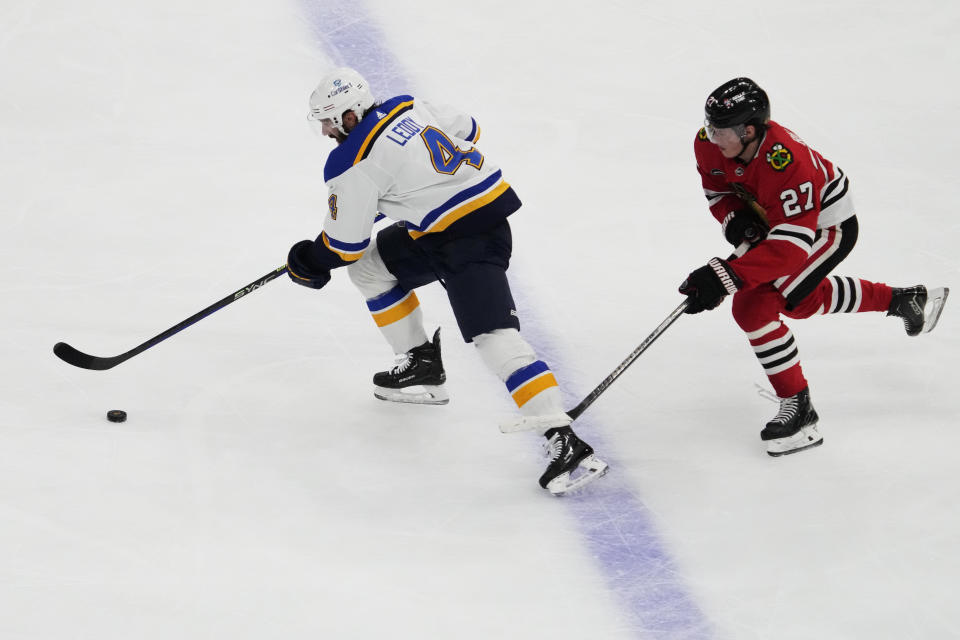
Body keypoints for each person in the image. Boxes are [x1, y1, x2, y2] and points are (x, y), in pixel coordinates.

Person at [285, 67, 608, 494]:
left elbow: (343, 244)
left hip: (468, 240)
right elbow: (469, 129)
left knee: (494, 337)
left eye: (330, 119)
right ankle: (421, 362)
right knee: (371, 267)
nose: (326, 129)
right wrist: (410, 186)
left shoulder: (350, 161)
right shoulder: (407, 105)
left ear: (351, 113)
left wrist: (308, 260)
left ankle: (563, 438)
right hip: (450, 227)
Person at [679, 77, 949, 457]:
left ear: (750, 130)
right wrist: (736, 219)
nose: (711, 137)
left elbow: (790, 248)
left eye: (720, 130)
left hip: (824, 226)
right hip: (777, 219)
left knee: (756, 305)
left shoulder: (787, 163)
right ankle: (904, 300)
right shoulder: (708, 143)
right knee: (795, 299)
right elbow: (718, 191)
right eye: (710, 126)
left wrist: (725, 276)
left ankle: (801, 412)